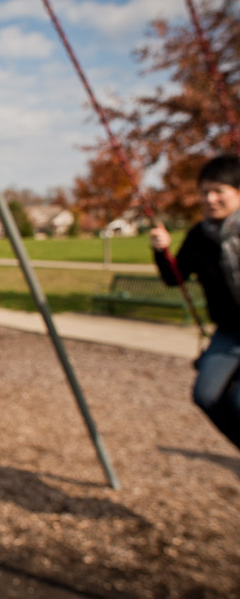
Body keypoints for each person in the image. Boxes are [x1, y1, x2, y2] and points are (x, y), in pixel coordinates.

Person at [150, 153, 240, 451]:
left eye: (219, 191)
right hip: (229, 332)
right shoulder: (199, 236)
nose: (210, 198)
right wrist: (162, 252)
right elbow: (175, 278)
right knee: (206, 394)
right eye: (204, 192)